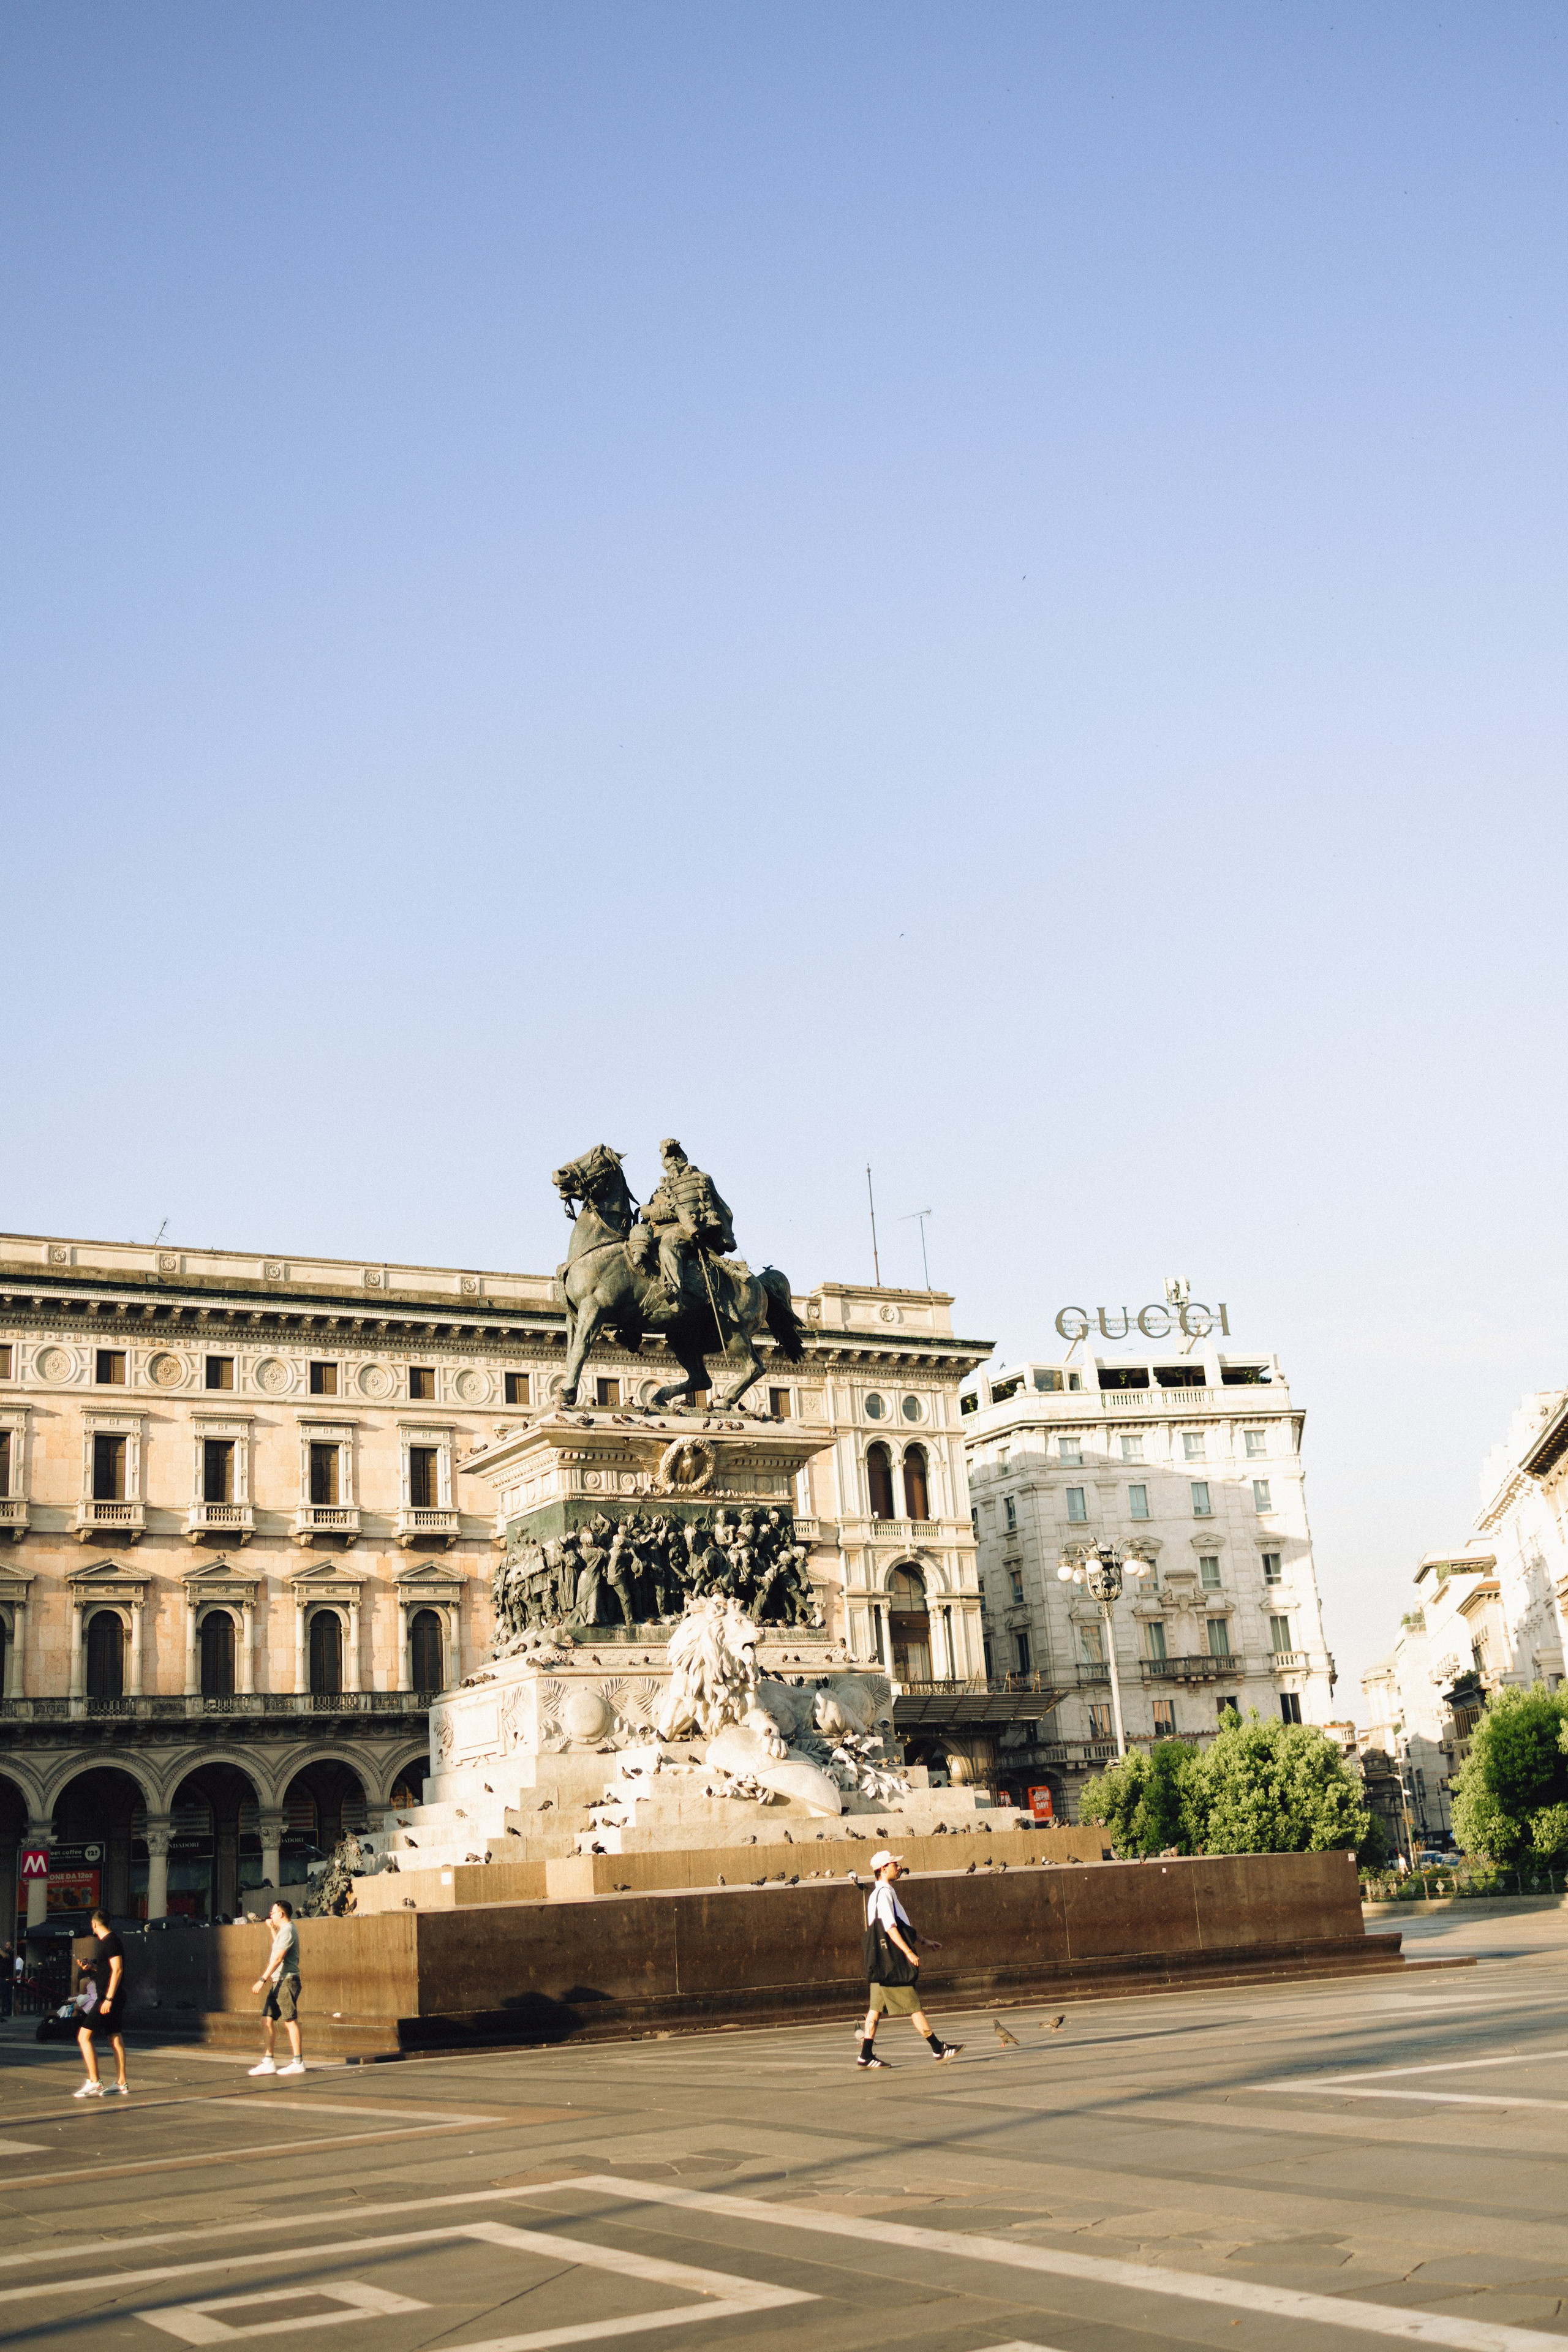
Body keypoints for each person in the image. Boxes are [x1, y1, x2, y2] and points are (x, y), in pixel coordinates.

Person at [858, 1850, 962, 2070]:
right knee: (914, 2005)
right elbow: (891, 1927)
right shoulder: (885, 1893)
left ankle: (866, 2055)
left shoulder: (875, 1895)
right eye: (894, 1864)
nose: (898, 1867)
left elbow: (894, 1927)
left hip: (879, 1961)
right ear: (883, 1869)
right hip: (892, 1960)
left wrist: (924, 1941)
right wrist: (909, 1952)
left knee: (875, 2010)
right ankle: (938, 2049)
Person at [74, 1910, 128, 2097]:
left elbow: (118, 1970)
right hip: (110, 1996)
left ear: (94, 1924)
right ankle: (121, 2082)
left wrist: (109, 1999)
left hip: (107, 1998)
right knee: (114, 2037)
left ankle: (94, 2081)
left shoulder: (111, 1942)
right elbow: (108, 1970)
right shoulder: (108, 1942)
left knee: (83, 2036)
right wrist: (92, 1967)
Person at [249, 1899, 305, 2076]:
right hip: (278, 1982)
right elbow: (278, 1945)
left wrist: (262, 1979)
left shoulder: (289, 1930)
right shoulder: (284, 1930)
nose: (270, 1915)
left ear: (281, 1914)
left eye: (272, 1912)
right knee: (266, 2019)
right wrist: (272, 1929)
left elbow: (279, 1958)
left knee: (290, 2021)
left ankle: (298, 2062)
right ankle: (269, 2061)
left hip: (287, 1981)